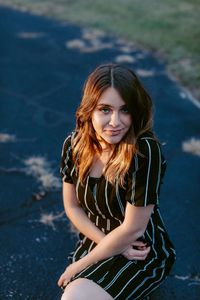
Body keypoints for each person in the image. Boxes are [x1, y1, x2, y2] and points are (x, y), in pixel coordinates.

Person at [57, 63, 176, 300]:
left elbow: (134, 228)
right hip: (97, 239)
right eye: (105, 109)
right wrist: (104, 245)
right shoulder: (74, 145)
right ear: (90, 110)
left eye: (125, 110)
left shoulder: (144, 151)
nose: (115, 121)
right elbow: (72, 206)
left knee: (75, 295)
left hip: (139, 249)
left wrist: (77, 266)